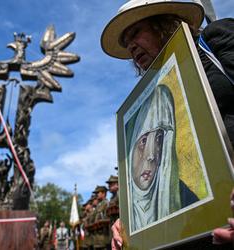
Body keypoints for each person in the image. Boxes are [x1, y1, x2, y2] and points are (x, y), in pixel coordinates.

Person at [100, 0, 234, 246]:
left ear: (162, 24)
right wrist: (131, 222)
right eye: (126, 41)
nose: (130, 45)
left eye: (136, 32)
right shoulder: (146, 105)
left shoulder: (214, 40)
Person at [128, 85, 198, 231]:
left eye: (159, 139)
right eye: (144, 141)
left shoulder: (187, 200)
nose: (151, 156)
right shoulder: (125, 207)